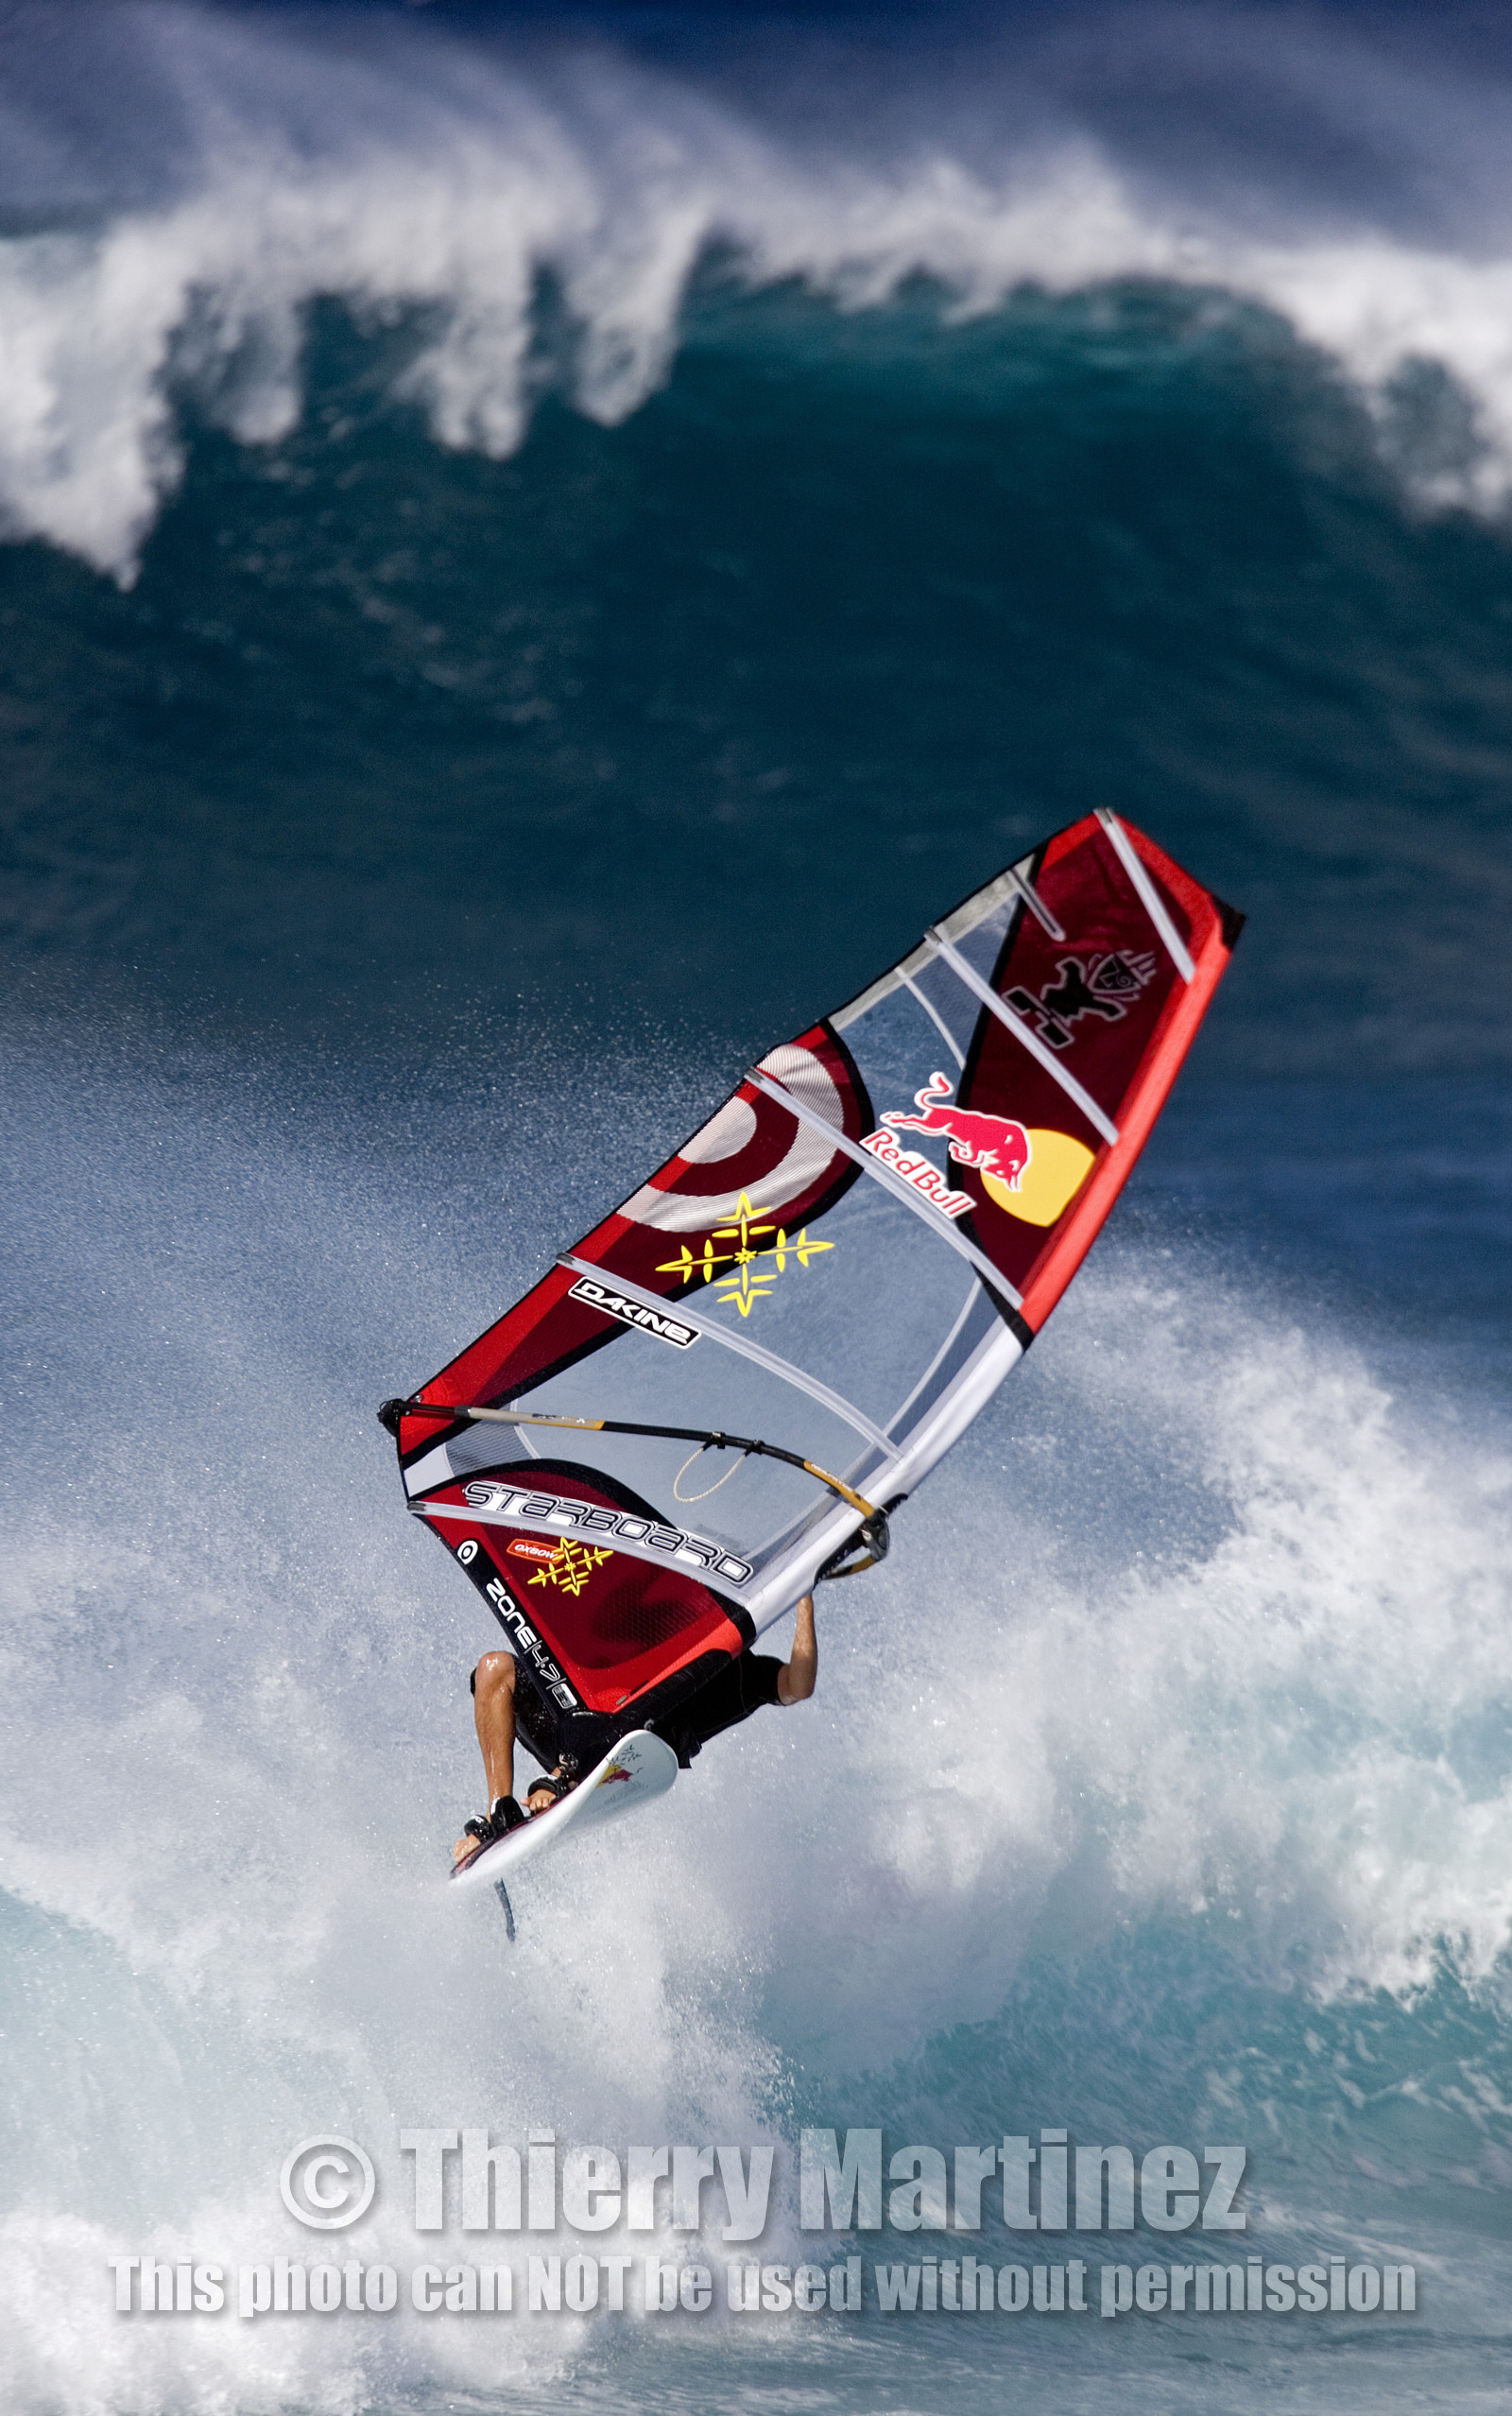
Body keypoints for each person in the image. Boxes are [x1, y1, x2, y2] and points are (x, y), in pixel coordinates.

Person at [454, 1594, 817, 1864]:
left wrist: (803, 1599)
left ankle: (566, 1779)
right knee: (494, 1669)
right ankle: (499, 1810)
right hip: (572, 1732)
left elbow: (798, 1685)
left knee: (632, 1716)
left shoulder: (743, 1674)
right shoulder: (661, 1622)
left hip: (634, 1754)